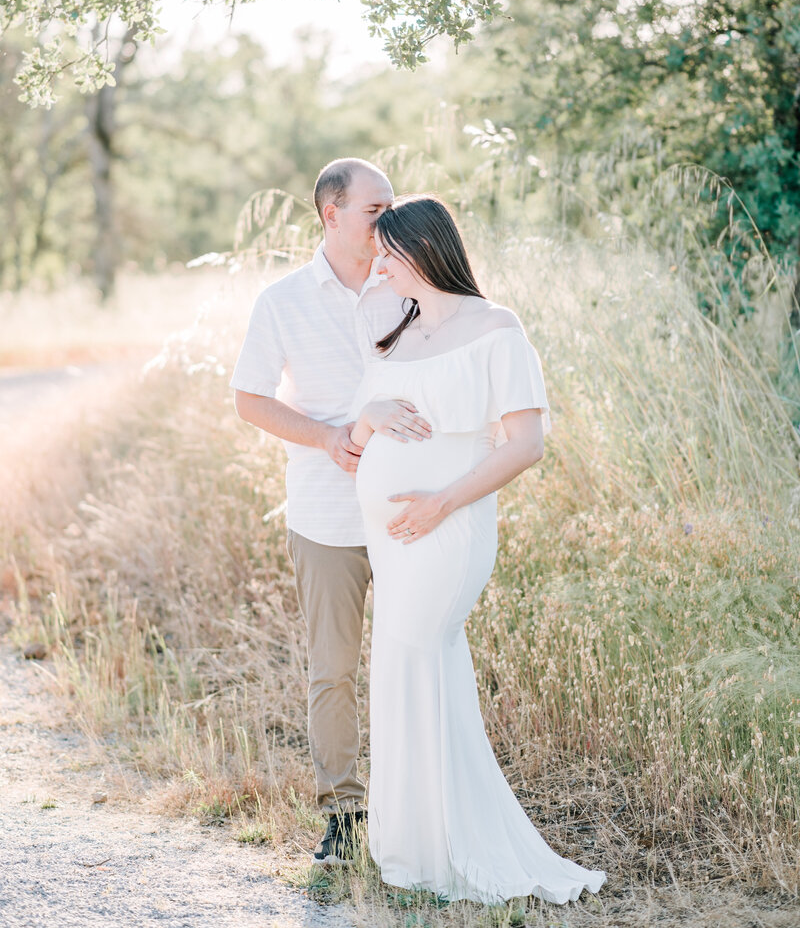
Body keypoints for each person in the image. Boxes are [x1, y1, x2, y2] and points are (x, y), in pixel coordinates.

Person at [349, 195, 606, 905]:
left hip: (449, 529)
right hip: (394, 537)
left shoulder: (496, 326)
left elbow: (526, 443)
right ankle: (413, 846)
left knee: (418, 656)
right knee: (402, 666)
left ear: (425, 249)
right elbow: (362, 431)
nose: (378, 265)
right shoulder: (395, 331)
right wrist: (367, 419)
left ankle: (451, 848)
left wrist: (439, 501)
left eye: (389, 253)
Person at [230, 159, 432, 863]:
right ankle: (344, 817)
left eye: (393, 204)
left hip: (413, 508)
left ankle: (418, 809)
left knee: (417, 657)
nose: (391, 218)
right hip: (327, 516)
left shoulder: (410, 286)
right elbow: (249, 397)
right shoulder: (282, 300)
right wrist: (326, 435)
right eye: (377, 209)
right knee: (334, 669)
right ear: (332, 214)